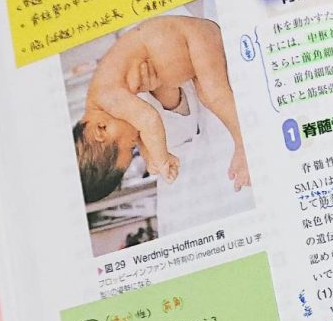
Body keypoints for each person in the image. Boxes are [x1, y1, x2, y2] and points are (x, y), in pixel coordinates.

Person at [73, 15, 250, 203]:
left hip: (194, 38)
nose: (136, 142)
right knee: (209, 97)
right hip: (191, 50)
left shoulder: (106, 96)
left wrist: (161, 158)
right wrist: (148, 155)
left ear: (101, 129)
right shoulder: (107, 104)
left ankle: (244, 145)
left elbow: (148, 120)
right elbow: (138, 127)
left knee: (215, 95)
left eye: (131, 146)